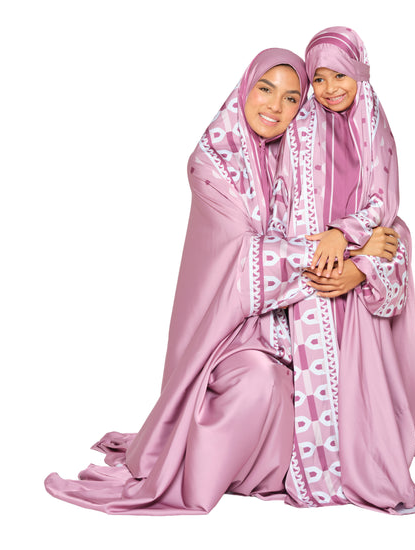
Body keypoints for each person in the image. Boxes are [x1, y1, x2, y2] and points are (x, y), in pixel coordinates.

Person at [45, 48, 317, 515]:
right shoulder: (212, 163)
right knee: (261, 382)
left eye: (292, 98)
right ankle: (217, 470)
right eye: (266, 89)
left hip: (286, 322)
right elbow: (247, 259)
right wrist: (329, 252)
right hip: (222, 330)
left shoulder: (301, 160)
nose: (275, 106)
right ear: (245, 89)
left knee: (324, 378)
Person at [261, 27, 415, 513]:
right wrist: (322, 246)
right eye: (319, 79)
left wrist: (345, 240)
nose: (330, 89)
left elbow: (382, 202)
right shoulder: (301, 128)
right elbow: (285, 202)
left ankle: (377, 474)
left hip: (352, 266)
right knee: (320, 379)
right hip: (313, 267)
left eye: (340, 76)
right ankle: (323, 477)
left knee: (366, 379)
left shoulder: (373, 123)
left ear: (360, 73)